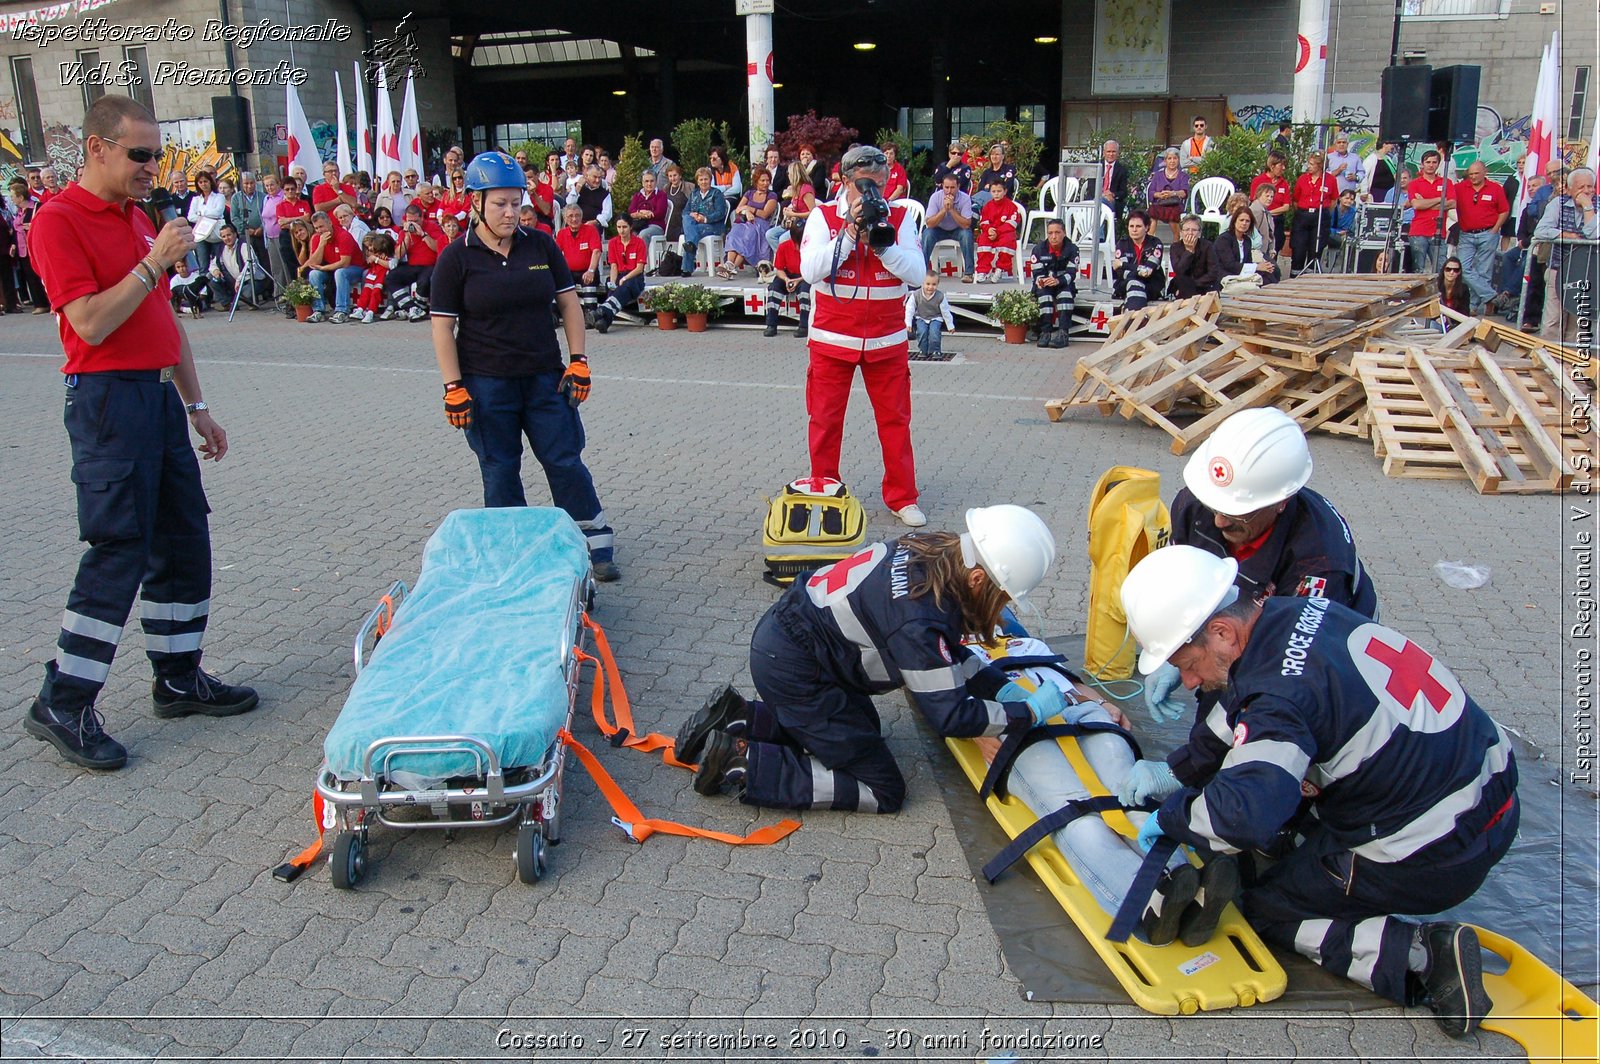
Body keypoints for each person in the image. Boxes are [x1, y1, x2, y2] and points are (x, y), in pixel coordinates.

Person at [1118, 545, 1518, 1038]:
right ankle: (1318, 853)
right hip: (1491, 787)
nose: (1188, 680)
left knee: (1261, 909)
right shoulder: (1294, 612)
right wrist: (1179, 769)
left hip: (1437, 849)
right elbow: (1240, 707)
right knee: (1287, 803)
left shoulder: (1279, 696)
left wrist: (1176, 813)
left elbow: (1239, 818)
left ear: (1221, 632)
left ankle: (1423, 954)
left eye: (1188, 662)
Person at [26, 95, 258, 771]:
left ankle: (178, 677)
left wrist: (197, 405)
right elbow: (91, 323)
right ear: (97, 149)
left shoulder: (136, 220)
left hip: (157, 401)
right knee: (120, 547)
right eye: (139, 155)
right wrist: (153, 263)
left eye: (156, 155)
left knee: (184, 539)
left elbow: (166, 324)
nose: (152, 167)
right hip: (108, 402)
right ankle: (63, 700)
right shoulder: (59, 222)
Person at [677, 506, 1060, 812]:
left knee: (864, 732)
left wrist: (1001, 688)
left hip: (796, 645)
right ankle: (743, 764)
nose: (1003, 606)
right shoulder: (920, 617)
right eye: (1004, 595)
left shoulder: (930, 551)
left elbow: (944, 656)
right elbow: (951, 714)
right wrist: (1027, 713)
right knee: (882, 789)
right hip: (798, 670)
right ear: (978, 579)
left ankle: (739, 717)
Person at [430, 151, 618, 581]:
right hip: (486, 384)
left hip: (544, 378)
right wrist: (453, 386)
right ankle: (510, 553)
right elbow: (443, 328)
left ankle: (592, 542)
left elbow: (569, 304)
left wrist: (578, 361)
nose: (511, 212)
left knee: (564, 459)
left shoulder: (541, 244)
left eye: (517, 203)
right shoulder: (456, 259)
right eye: (500, 204)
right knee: (499, 468)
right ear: (475, 202)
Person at [1143, 406, 1376, 726]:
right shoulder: (1194, 505)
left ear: (1282, 501)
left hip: (1325, 650)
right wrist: (1180, 654)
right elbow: (1183, 589)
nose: (1219, 520)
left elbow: (1285, 674)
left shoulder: (1319, 563)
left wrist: (1195, 760)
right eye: (1216, 505)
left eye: (1239, 513)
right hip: (1233, 634)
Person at [800, 145, 929, 527]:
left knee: (895, 422)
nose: (873, 193)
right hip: (832, 339)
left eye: (879, 184)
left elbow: (918, 274)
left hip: (887, 341)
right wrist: (850, 233)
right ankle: (824, 493)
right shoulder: (823, 216)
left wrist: (884, 247)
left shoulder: (902, 216)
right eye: (863, 185)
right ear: (844, 182)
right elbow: (810, 270)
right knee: (824, 422)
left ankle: (902, 497)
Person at [1533, 165, 1597, 344]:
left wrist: (1587, 207)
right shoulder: (1557, 204)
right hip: (1559, 267)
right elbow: (1541, 231)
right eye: (1581, 187)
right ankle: (1548, 359)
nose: (1587, 191)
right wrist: (1564, 235)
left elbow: (1593, 234)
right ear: (1569, 190)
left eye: (1590, 187)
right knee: (1553, 318)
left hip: (1588, 272)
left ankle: (1572, 362)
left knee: (1579, 320)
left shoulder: (1596, 205)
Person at [1453, 161, 1510, 314]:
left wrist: (1496, 228)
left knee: (1484, 271)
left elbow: (1504, 210)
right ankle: (1491, 296)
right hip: (1466, 234)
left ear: (1485, 172)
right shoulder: (1459, 187)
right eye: (1470, 174)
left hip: (1488, 232)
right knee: (1462, 268)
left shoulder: (1495, 188)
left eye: (1476, 173)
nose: (1473, 177)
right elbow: (1447, 198)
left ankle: (1472, 306)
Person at [385, 202, 447, 322]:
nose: (413, 223)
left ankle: (418, 308)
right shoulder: (405, 231)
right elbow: (398, 254)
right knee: (391, 277)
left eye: (416, 221)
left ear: (422, 218)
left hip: (430, 265)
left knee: (424, 281)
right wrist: (407, 237)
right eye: (410, 220)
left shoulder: (432, 227)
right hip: (412, 266)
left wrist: (423, 234)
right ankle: (412, 307)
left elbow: (437, 247)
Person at [303, 210, 363, 324]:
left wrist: (323, 268)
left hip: (354, 268)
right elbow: (313, 263)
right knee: (314, 274)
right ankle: (318, 310)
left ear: (330, 222)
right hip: (332, 268)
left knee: (340, 272)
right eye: (316, 228)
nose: (320, 231)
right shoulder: (317, 238)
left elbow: (345, 263)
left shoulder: (343, 235)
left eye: (322, 226)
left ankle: (342, 311)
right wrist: (321, 245)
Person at [718, 168, 778, 278]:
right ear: (756, 181)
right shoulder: (749, 193)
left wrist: (749, 208)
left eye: (767, 180)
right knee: (734, 233)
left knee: (748, 237)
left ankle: (732, 268)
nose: (766, 183)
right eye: (762, 180)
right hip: (746, 222)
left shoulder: (772, 196)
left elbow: (765, 214)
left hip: (760, 224)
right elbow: (738, 210)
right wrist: (746, 211)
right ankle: (729, 264)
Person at [1028, 218, 1078, 347]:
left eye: (1057, 232)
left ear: (1064, 233)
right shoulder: (1038, 249)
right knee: (1044, 296)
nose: (1053, 237)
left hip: (1063, 284)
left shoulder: (1072, 249)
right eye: (1050, 233)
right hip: (1045, 284)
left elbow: (1072, 273)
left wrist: (1058, 281)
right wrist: (1043, 281)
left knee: (1065, 296)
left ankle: (1063, 333)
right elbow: (1037, 274)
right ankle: (1045, 332)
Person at [593, 214, 647, 333]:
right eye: (619, 227)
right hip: (619, 274)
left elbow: (639, 268)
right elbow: (613, 266)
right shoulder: (613, 243)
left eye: (624, 227)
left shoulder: (639, 242)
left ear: (630, 227)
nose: (621, 230)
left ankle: (602, 311)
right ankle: (604, 320)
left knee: (626, 286)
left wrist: (625, 278)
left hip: (634, 276)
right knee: (612, 287)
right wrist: (613, 282)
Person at [554, 204, 604, 326]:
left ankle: (590, 314)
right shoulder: (561, 234)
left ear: (582, 217)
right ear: (565, 219)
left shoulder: (591, 230)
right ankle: (554, 315)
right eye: (570, 216)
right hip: (570, 272)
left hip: (588, 270)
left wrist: (591, 270)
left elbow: (596, 251)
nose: (574, 219)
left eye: (577, 215)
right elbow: (555, 255)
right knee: (555, 282)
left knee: (588, 281)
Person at [1290, 151, 1338, 275]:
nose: (1309, 166)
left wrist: (1322, 212)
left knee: (1316, 248)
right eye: (1309, 163)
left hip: (1321, 216)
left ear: (1320, 165)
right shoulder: (1302, 179)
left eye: (1312, 164)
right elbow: (1295, 199)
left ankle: (1310, 274)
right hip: (1303, 215)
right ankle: (1295, 274)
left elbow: (1333, 200)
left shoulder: (1330, 180)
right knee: (1299, 248)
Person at [921, 174, 974, 282]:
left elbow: (966, 224)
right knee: (927, 234)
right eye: (946, 187)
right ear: (942, 186)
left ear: (958, 186)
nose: (949, 191)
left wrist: (951, 210)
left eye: (952, 188)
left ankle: (969, 273)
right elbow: (930, 223)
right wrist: (944, 210)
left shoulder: (965, 198)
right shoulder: (935, 197)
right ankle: (922, 271)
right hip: (938, 229)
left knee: (967, 234)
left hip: (957, 229)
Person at [1407, 150, 1452, 275]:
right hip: (1418, 231)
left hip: (1438, 231)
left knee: (1441, 270)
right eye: (1428, 162)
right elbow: (1416, 204)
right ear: (1422, 164)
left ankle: (1439, 294)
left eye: (1434, 162)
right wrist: (1439, 199)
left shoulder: (1446, 182)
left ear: (1438, 164)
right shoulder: (1414, 184)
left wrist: (1425, 204)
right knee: (1418, 269)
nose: (1431, 165)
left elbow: (1452, 203)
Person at [762, 220, 810, 338]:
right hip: (788, 275)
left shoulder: (812, 248)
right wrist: (787, 280)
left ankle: (804, 326)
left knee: (805, 292)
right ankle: (771, 325)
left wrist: (798, 280)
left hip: (805, 276)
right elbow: (779, 270)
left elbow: (814, 270)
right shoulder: (784, 246)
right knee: (773, 289)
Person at [6, 179, 48, 311]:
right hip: (23, 249)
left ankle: (44, 303)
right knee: (30, 277)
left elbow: (46, 223)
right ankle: (38, 303)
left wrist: (33, 226)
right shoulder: (18, 212)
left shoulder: (36, 207)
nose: (11, 199)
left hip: (34, 247)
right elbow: (15, 229)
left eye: (13, 196)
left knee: (38, 276)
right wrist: (13, 244)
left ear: (20, 196)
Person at [680, 166, 729, 277]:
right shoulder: (694, 194)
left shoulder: (716, 194)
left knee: (692, 233)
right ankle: (691, 245)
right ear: (697, 181)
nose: (703, 182)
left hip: (713, 225)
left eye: (706, 179)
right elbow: (685, 212)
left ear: (710, 180)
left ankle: (686, 268)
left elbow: (721, 213)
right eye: (701, 179)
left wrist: (705, 218)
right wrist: (692, 214)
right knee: (687, 218)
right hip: (695, 224)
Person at [210, 223, 273, 308]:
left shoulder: (244, 246)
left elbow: (251, 267)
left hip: (251, 280)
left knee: (247, 293)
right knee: (212, 280)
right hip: (234, 282)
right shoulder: (221, 249)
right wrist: (215, 271)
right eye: (224, 236)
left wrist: (239, 280)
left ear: (235, 234)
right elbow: (213, 264)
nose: (227, 238)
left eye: (229, 235)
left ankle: (251, 300)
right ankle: (228, 304)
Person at [1113, 210, 1165, 311]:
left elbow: (1147, 272)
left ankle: (1130, 320)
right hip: (1126, 283)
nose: (1134, 230)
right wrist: (1139, 271)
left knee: (1134, 285)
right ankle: (1137, 322)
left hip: (1151, 284)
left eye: (1138, 226)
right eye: (1131, 226)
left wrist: (1123, 264)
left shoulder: (1156, 243)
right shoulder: (1122, 244)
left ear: (1146, 227)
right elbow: (1122, 273)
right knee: (1133, 283)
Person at [974, 178, 1023, 282]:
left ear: (1005, 191)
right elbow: (983, 222)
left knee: (1007, 242)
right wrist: (989, 230)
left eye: (999, 191)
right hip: (990, 233)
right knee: (983, 240)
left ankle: (1000, 269)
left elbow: (1012, 224)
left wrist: (998, 232)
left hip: (1005, 233)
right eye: (993, 191)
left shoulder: (1011, 206)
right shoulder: (987, 206)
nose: (996, 194)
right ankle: (983, 270)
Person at [1214, 206, 1276, 286]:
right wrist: (1257, 267)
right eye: (1241, 220)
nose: (1244, 223)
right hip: (1226, 276)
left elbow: (1248, 262)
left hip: (1241, 274)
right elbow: (1230, 265)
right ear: (1234, 221)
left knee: (1269, 275)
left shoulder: (1247, 240)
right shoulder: (1224, 239)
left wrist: (1265, 267)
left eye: (1247, 221)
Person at [1249, 151, 1292, 258]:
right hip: (1260, 219)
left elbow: (1286, 206)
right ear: (1272, 166)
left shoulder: (1284, 183)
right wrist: (1265, 214)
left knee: (1275, 248)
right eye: (1281, 165)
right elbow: (1254, 201)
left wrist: (1269, 213)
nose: (1283, 168)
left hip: (1277, 220)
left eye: (1284, 165)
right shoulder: (1258, 180)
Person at [1168, 214, 1220, 299]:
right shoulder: (1175, 247)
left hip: (1204, 284)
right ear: (1181, 232)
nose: (1190, 233)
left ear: (1199, 233)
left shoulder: (1207, 246)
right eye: (1187, 230)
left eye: (1194, 230)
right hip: (1184, 284)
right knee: (1181, 281)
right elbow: (1179, 271)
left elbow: (1213, 271)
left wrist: (1195, 284)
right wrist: (1189, 251)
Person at [185, 171, 227, 275]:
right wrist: (206, 215)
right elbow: (190, 216)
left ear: (210, 182)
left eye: (205, 181)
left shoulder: (219, 197)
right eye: (200, 182)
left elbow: (218, 212)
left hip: (216, 233)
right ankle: (206, 289)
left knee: (220, 262)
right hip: (200, 234)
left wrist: (201, 214)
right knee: (203, 265)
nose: (203, 184)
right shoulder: (196, 199)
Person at [273, 177, 312, 287]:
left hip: (303, 235)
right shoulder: (280, 206)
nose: (290, 191)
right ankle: (296, 287)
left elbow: (308, 218)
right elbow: (282, 223)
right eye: (287, 189)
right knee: (291, 263)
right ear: (283, 191)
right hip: (287, 236)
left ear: (296, 189)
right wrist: (299, 218)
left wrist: (289, 219)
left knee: (305, 261)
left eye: (292, 189)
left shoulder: (304, 203)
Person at [904, 272, 954, 357]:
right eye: (928, 284)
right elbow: (910, 309)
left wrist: (950, 325)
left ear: (937, 284)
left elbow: (945, 311)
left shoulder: (940, 296)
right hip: (921, 317)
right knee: (922, 332)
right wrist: (908, 323)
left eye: (934, 284)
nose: (930, 287)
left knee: (934, 333)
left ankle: (936, 350)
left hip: (936, 317)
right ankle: (923, 350)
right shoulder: (916, 295)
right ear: (922, 283)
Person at [1147, 147, 1190, 241]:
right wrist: (1159, 195)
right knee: (1152, 212)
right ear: (1165, 160)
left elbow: (1185, 192)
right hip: (1160, 204)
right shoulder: (1157, 175)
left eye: (1175, 158)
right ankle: (1149, 243)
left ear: (1178, 160)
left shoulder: (1183, 176)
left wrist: (1173, 193)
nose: (1172, 161)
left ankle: (1176, 243)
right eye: (1169, 158)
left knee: (1173, 213)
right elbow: (1150, 192)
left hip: (1175, 205)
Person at [352, 231, 395, 323]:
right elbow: (368, 262)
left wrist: (376, 259)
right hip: (372, 273)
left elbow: (390, 264)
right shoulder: (371, 255)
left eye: (372, 248)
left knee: (376, 292)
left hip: (380, 275)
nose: (370, 249)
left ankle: (371, 312)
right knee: (366, 291)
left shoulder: (385, 256)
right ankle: (360, 309)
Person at [973, 142, 1018, 213]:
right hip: (985, 201)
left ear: (1003, 156)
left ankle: (975, 208)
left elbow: (1007, 186)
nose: (994, 157)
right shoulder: (986, 172)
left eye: (997, 154)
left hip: (1003, 200)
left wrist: (990, 186)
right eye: (992, 154)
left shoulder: (1009, 169)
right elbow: (980, 189)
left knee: (975, 206)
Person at [626, 168, 668, 243]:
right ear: (642, 183)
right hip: (639, 225)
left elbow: (660, 213)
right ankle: (630, 254)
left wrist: (639, 214)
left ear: (656, 182)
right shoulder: (637, 195)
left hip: (655, 225)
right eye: (646, 181)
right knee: (628, 234)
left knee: (643, 234)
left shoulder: (661, 195)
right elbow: (631, 211)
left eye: (652, 181)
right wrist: (643, 213)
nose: (649, 184)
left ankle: (643, 255)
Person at [1325, 133, 1365, 198]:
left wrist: (1356, 177)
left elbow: (1362, 172)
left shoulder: (1355, 157)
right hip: (1332, 196)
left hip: (1349, 197)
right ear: (1335, 144)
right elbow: (1324, 175)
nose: (1342, 144)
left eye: (1344, 142)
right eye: (1339, 142)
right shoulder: (1328, 157)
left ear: (1347, 144)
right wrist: (1338, 170)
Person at [1100, 140, 1129, 225]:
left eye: (1113, 152)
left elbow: (1123, 192)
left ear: (1117, 153)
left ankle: (1099, 238)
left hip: (1113, 202)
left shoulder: (1122, 170)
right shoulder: (1096, 166)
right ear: (1104, 152)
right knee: (1100, 202)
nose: (1111, 154)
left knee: (1101, 204)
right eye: (1108, 151)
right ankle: (1100, 237)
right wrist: (1103, 195)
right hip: (1096, 199)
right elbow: (1091, 188)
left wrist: (1112, 194)